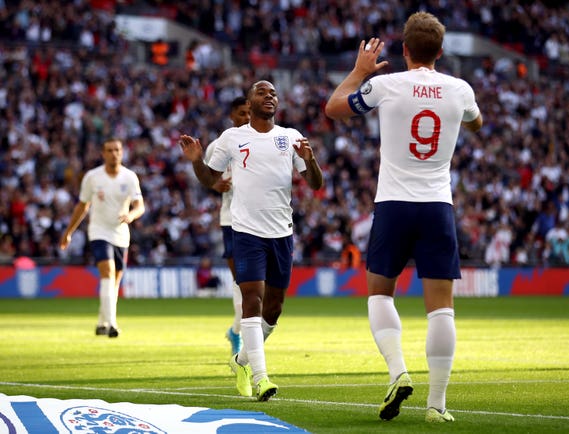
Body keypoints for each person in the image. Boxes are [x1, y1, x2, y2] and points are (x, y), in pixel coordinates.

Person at [325, 12, 482, 423]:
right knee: (441, 309)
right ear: (441, 52)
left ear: (404, 49)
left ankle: (398, 371)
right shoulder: (459, 89)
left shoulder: (385, 85)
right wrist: (461, 112)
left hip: (393, 204)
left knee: (379, 293)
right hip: (437, 206)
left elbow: (334, 108)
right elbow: (476, 120)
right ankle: (437, 406)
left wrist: (359, 71)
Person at [179, 80, 323, 401]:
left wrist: (311, 160)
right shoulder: (233, 138)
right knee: (252, 301)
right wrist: (196, 160)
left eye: (273, 93)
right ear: (250, 101)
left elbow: (314, 184)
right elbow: (210, 180)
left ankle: (242, 361)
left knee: (274, 309)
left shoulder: (290, 137)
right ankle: (262, 378)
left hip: (281, 233)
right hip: (245, 231)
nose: (269, 96)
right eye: (262, 92)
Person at [59, 138, 145, 338]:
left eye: (117, 150)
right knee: (107, 272)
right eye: (109, 150)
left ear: (122, 153)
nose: (114, 153)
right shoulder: (92, 177)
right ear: (103, 153)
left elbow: (139, 205)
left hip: (121, 233)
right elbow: (82, 206)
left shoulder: (130, 177)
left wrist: (131, 215)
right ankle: (112, 325)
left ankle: (101, 321)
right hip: (98, 231)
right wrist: (68, 232)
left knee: (114, 281)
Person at [206, 96, 251, 354]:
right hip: (232, 220)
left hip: (261, 220)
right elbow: (205, 174)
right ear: (232, 117)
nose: (246, 117)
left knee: (258, 286)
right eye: (242, 113)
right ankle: (240, 337)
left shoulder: (263, 141)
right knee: (240, 281)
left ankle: (236, 330)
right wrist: (214, 184)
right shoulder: (219, 145)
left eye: (249, 112)